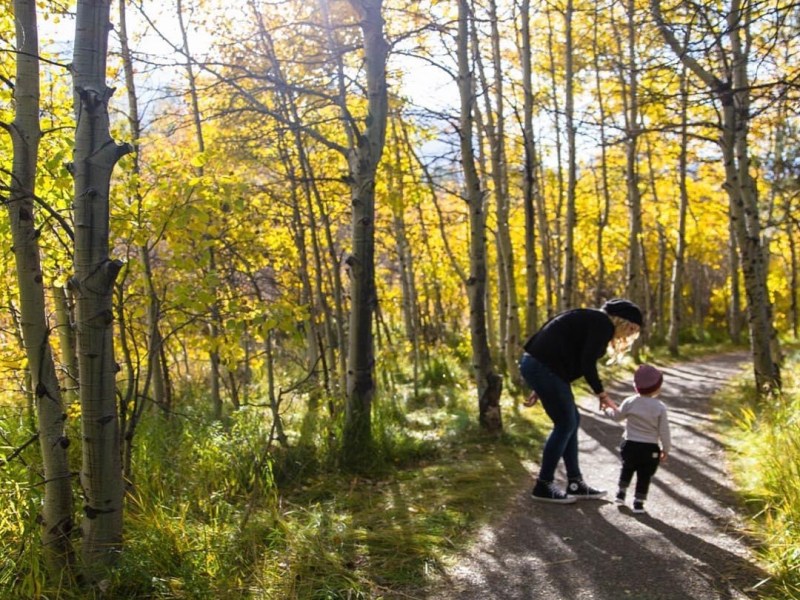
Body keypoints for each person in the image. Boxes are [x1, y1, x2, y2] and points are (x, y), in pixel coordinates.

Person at [519, 299, 643, 504]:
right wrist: (601, 394)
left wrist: (539, 386)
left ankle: (575, 483)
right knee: (566, 422)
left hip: (542, 366)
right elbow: (586, 363)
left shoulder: (593, 320)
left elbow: (564, 353)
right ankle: (543, 484)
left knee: (571, 421)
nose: (630, 334)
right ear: (622, 321)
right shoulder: (602, 324)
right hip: (542, 367)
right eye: (631, 328)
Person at [603, 364, 671, 514]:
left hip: (630, 445)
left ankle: (621, 493)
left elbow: (617, 416)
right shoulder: (659, 407)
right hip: (649, 448)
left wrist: (607, 409)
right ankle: (638, 503)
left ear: (636, 386)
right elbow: (664, 431)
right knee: (644, 474)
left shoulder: (630, 401)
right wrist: (665, 449)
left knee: (627, 467)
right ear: (657, 388)